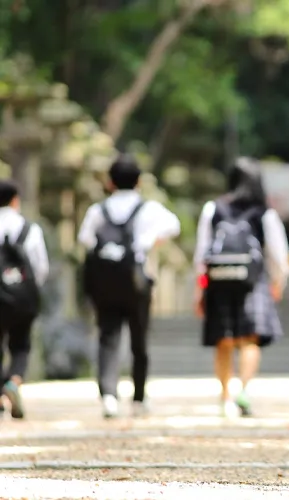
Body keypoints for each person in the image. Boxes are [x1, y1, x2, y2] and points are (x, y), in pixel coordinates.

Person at [77, 154, 181, 419]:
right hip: (138, 281)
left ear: (110, 182)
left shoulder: (98, 210)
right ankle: (138, 396)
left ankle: (109, 396)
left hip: (105, 283)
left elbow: (85, 240)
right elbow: (174, 226)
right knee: (139, 340)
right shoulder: (149, 209)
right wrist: (151, 241)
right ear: (138, 182)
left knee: (108, 337)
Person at [193, 157, 289, 417]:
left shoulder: (212, 209)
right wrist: (277, 282)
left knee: (223, 341)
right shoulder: (264, 213)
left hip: (218, 281)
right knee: (249, 340)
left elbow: (202, 253)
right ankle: (243, 392)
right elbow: (279, 255)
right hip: (254, 282)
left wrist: (200, 289)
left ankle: (225, 397)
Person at [0, 180, 49, 420]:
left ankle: (0, 395)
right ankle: (14, 381)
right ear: (15, 200)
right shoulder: (29, 228)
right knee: (20, 345)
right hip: (21, 298)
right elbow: (40, 267)